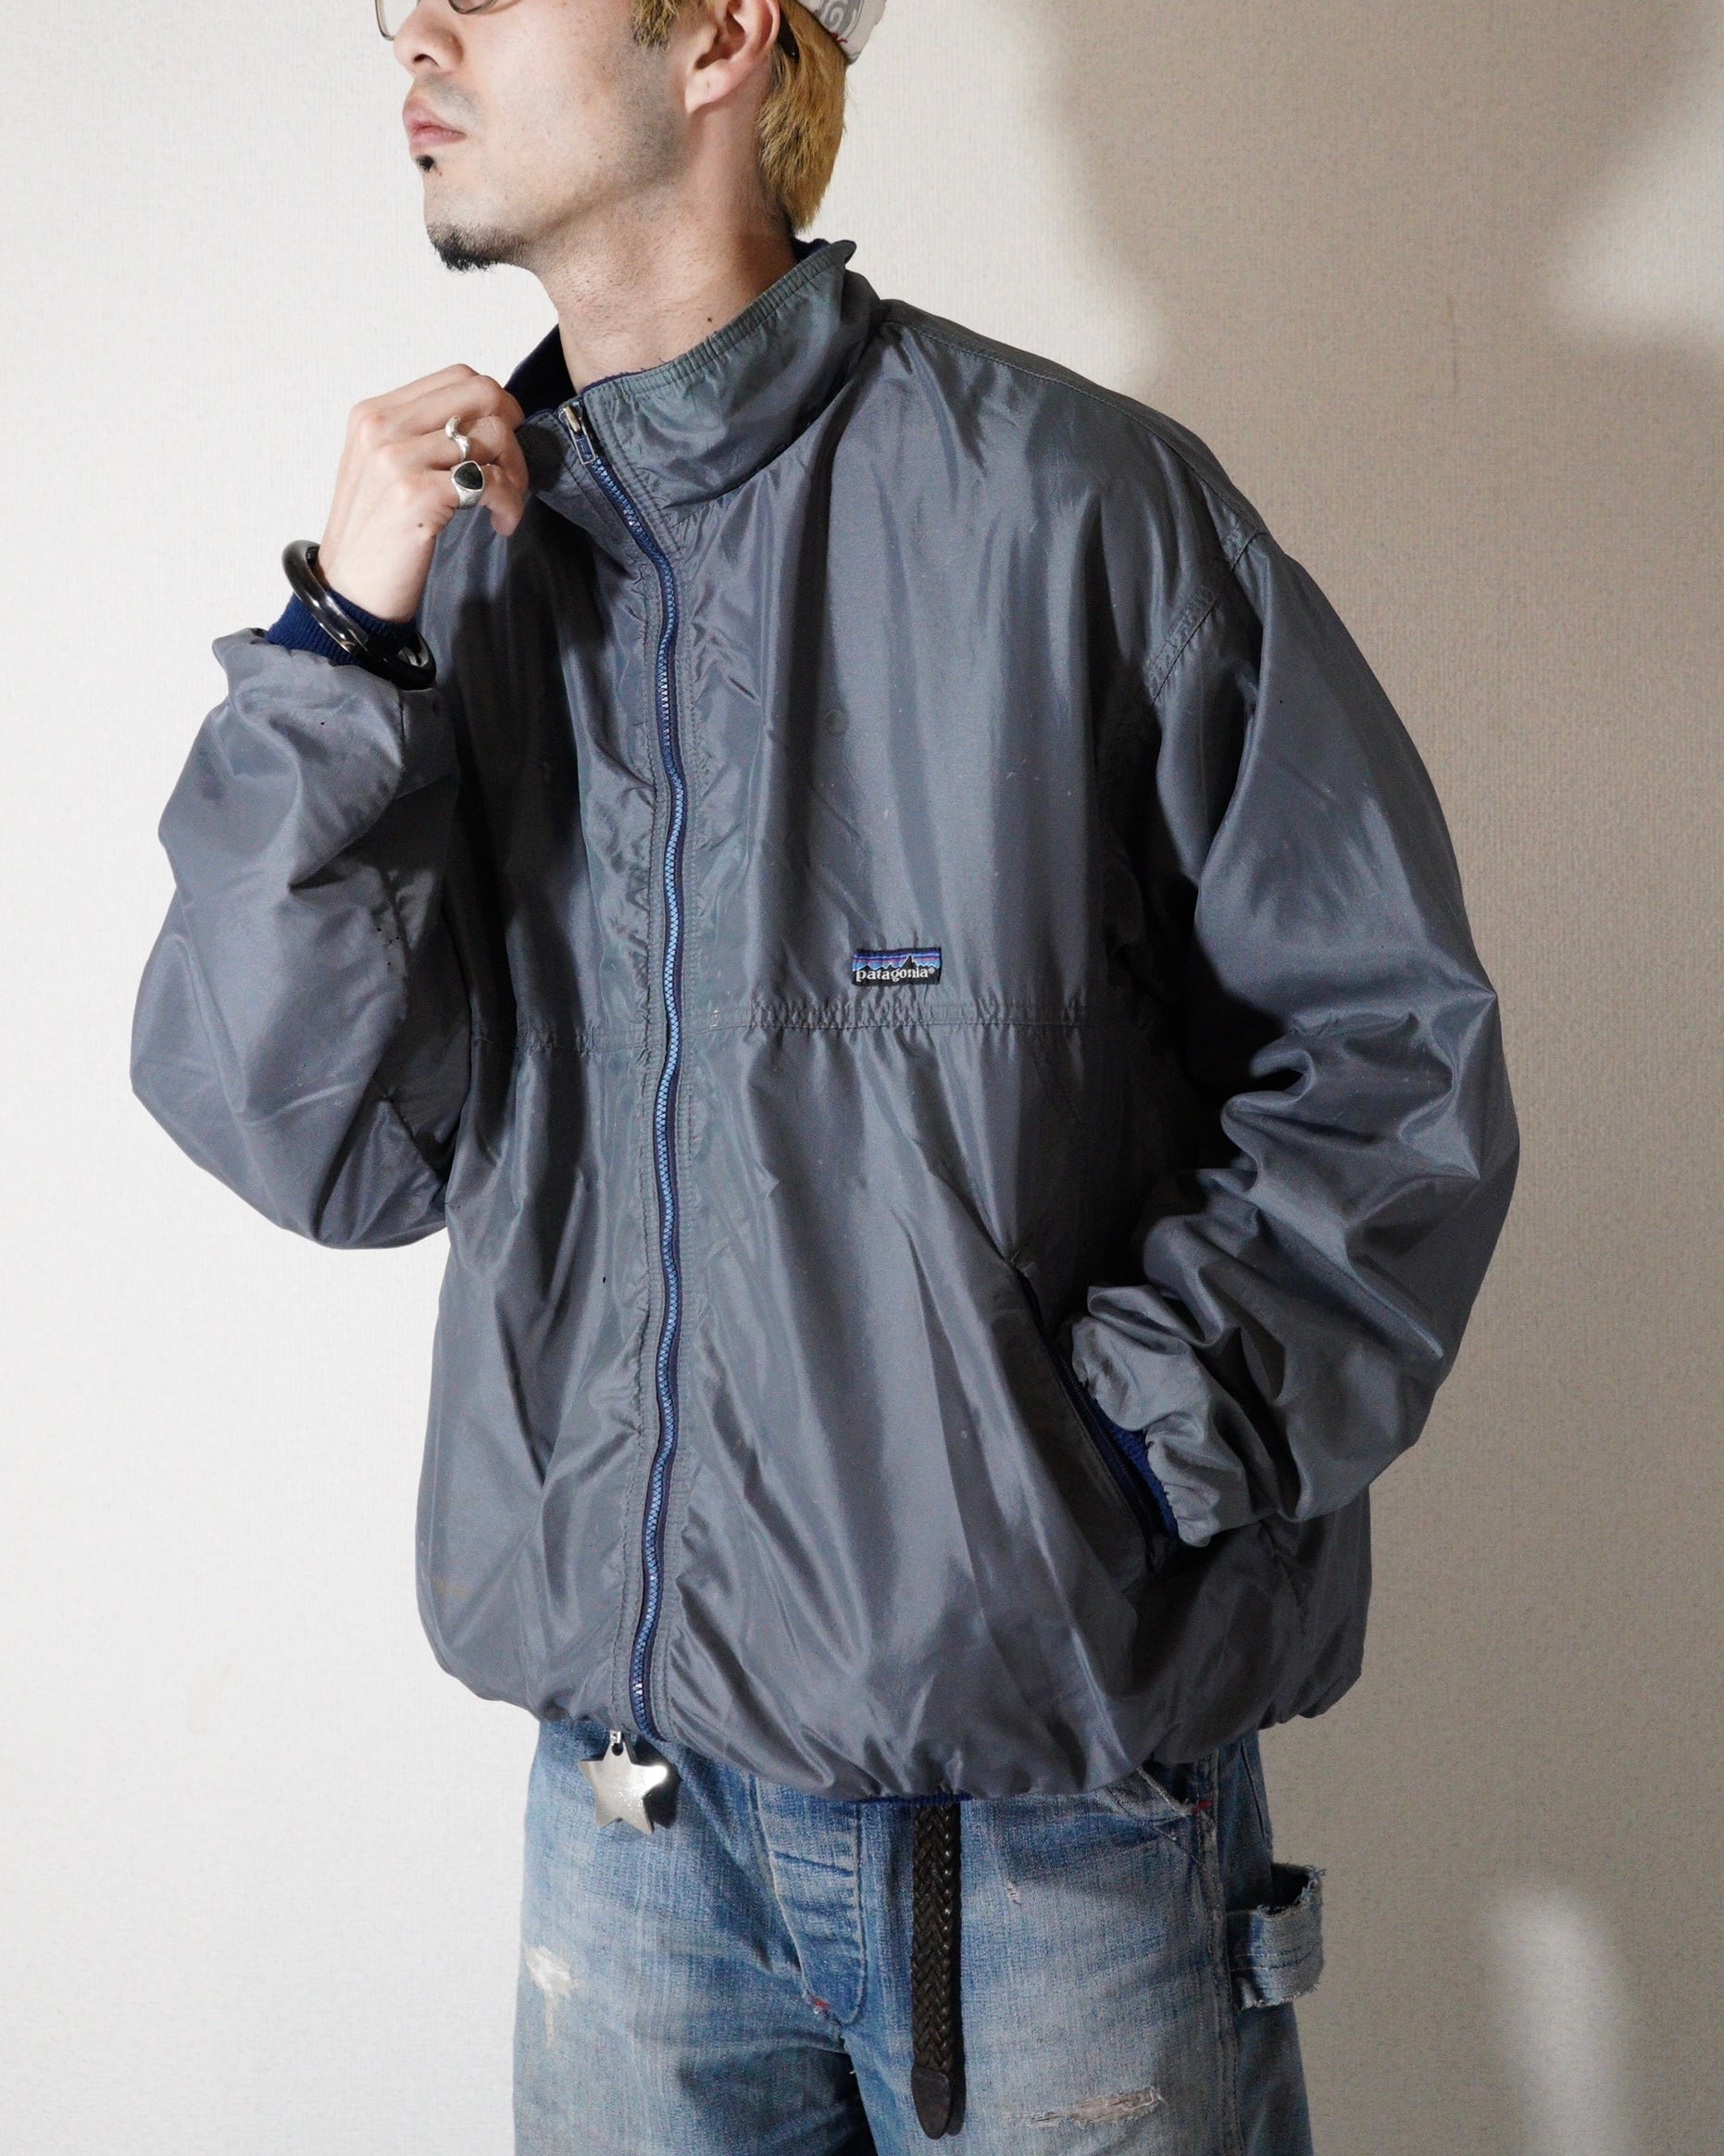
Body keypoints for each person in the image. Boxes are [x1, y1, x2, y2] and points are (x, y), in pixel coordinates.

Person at [129, 0, 1519, 2148]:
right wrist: (342, 654)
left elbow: (1384, 1057)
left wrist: (1097, 1475)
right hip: (628, 1836)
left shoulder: (1078, 510)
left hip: (1045, 1838)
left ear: (716, 36)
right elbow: (313, 1138)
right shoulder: (457, 574)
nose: (414, 25)